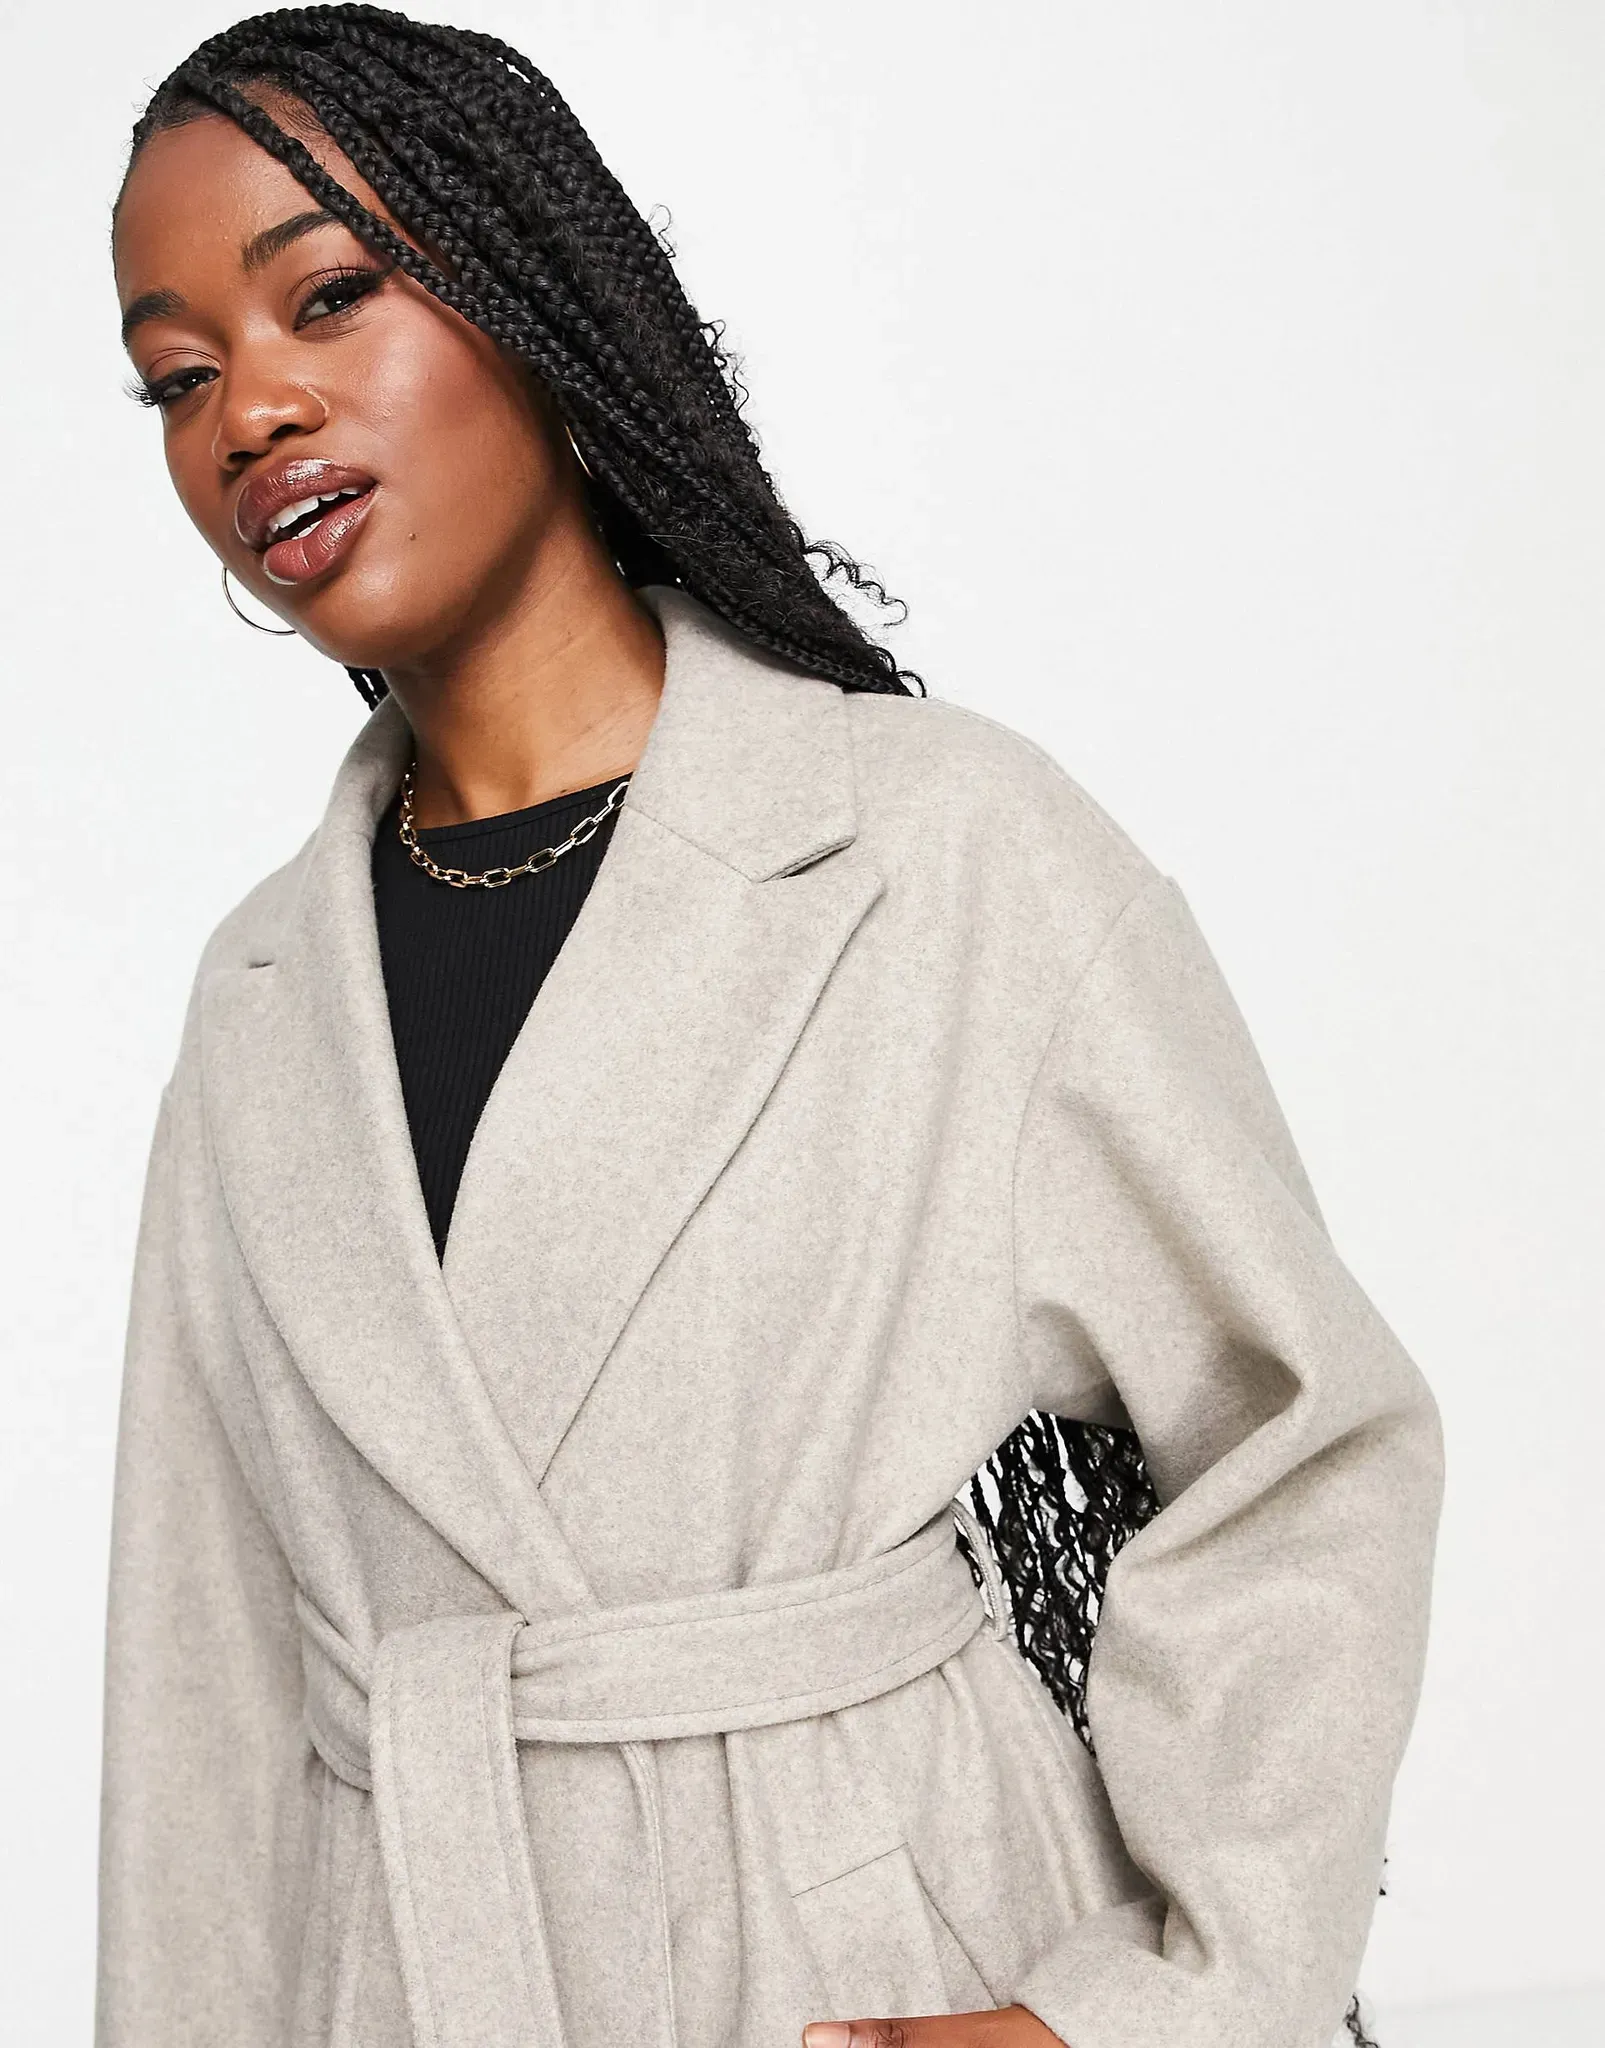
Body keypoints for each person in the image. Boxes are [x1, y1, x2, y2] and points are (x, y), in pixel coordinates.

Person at [98, 10, 1445, 2048]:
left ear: (526, 289)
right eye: (179, 377)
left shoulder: (943, 849)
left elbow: (1304, 1439)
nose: (248, 410)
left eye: (330, 293)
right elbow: (204, 1680)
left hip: (866, 1965)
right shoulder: (261, 995)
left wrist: (1145, 2014)